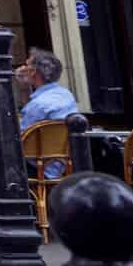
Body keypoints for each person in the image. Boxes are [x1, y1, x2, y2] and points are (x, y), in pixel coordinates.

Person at [17, 48, 80, 182]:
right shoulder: (66, 95)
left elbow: (20, 141)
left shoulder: (38, 105)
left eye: (26, 65)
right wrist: (24, 88)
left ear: (33, 71)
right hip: (62, 165)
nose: (22, 68)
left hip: (36, 168)